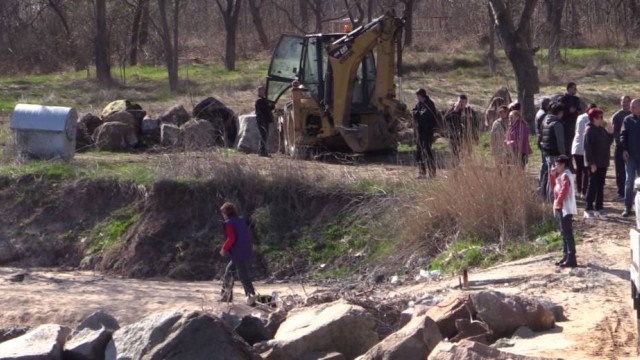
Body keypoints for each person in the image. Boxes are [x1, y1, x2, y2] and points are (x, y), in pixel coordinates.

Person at [219, 202, 257, 305]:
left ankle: (251, 297)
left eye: (222, 212)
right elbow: (247, 234)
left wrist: (224, 249)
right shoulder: (241, 220)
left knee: (243, 275)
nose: (222, 214)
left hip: (238, 252)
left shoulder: (228, 223)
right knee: (229, 271)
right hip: (245, 249)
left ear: (225, 212)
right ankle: (226, 297)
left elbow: (231, 238)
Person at [583, 108, 614, 219]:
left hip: (602, 162)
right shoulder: (589, 130)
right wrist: (591, 163)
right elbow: (587, 148)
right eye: (600, 117)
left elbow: (607, 143)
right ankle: (588, 208)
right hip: (594, 163)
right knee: (592, 185)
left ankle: (599, 207)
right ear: (594, 118)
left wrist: (610, 134)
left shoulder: (600, 129)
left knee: (600, 185)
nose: (602, 119)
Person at [550, 155, 578, 268]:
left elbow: (564, 189)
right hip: (562, 206)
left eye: (557, 165)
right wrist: (552, 176)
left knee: (567, 232)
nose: (555, 167)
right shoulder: (562, 175)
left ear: (563, 165)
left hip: (565, 207)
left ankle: (571, 257)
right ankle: (566, 255)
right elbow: (554, 188)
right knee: (564, 232)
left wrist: (559, 201)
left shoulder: (565, 175)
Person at [571, 103, 598, 199]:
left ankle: (578, 190)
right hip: (584, 147)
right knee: (586, 170)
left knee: (579, 169)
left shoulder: (580, 117)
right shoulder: (590, 119)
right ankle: (584, 191)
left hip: (576, 146)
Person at [540, 102, 566, 200]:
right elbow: (560, 142)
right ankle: (552, 199)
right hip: (555, 154)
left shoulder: (545, 121)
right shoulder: (557, 124)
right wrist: (563, 155)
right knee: (554, 179)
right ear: (560, 112)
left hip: (547, 152)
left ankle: (545, 196)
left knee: (548, 175)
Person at [412, 88, 439, 178]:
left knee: (427, 150)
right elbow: (415, 113)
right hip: (420, 130)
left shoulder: (429, 104)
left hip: (428, 131)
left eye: (418, 96)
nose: (417, 98)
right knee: (419, 152)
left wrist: (419, 114)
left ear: (421, 96)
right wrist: (418, 113)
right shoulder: (419, 104)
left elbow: (425, 116)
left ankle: (432, 172)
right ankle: (422, 172)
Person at [620, 99, 640, 217]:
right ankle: (627, 207)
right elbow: (622, 135)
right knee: (629, 182)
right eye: (631, 107)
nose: (631, 109)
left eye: (634, 107)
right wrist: (624, 149)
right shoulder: (627, 120)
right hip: (631, 155)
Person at [444, 94, 478, 159]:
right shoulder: (453, 109)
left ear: (466, 103)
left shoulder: (469, 111)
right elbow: (445, 118)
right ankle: (456, 166)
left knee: (467, 153)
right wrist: (454, 111)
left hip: (465, 136)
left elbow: (475, 123)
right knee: (455, 153)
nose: (461, 104)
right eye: (460, 102)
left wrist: (474, 135)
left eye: (463, 102)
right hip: (454, 135)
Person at [611, 96, 632, 200]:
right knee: (620, 171)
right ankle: (621, 193)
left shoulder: (634, 115)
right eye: (624, 101)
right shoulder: (617, 116)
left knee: (632, 170)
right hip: (620, 147)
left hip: (632, 147)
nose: (626, 104)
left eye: (628, 102)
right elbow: (615, 133)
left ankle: (630, 192)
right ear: (621, 102)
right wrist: (622, 146)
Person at [559, 82, 582, 157]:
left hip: (574, 123)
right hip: (566, 124)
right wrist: (568, 111)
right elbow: (559, 111)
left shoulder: (576, 99)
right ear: (569, 89)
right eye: (574, 88)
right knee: (567, 144)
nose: (575, 90)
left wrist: (577, 111)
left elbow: (579, 109)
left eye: (576, 88)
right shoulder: (563, 99)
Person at [536, 97, 552, 197]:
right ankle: (543, 186)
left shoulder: (539, 113)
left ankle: (541, 184)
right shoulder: (543, 115)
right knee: (545, 165)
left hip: (540, 140)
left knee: (543, 164)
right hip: (543, 141)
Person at [255, 86, 275, 157]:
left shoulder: (264, 100)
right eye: (262, 91)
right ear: (259, 92)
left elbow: (269, 109)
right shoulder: (259, 101)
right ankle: (262, 152)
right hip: (261, 120)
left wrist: (272, 104)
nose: (264, 92)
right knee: (263, 135)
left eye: (264, 90)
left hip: (265, 120)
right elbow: (266, 109)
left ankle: (262, 151)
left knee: (264, 136)